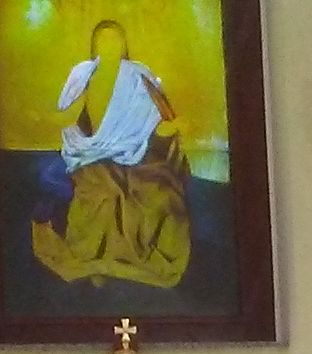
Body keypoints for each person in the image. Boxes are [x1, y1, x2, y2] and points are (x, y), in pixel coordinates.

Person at [30, 19, 193, 290]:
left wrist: (175, 126)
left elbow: (156, 126)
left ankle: (124, 264)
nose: (110, 45)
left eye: (115, 39)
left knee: (158, 194)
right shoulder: (85, 77)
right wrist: (42, 117)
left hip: (138, 155)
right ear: (95, 46)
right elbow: (69, 117)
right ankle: (96, 261)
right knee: (104, 193)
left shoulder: (140, 78)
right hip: (93, 156)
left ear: (124, 44)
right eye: (104, 39)